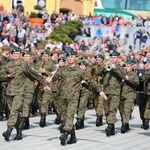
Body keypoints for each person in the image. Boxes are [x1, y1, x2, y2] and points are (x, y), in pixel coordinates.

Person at [46, 49, 107, 145]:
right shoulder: (63, 69)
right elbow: (54, 77)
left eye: (72, 57)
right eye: (69, 57)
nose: (70, 58)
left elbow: (91, 81)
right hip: (62, 97)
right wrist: (49, 79)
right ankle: (73, 137)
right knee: (65, 118)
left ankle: (65, 135)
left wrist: (100, 91)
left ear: (75, 58)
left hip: (73, 98)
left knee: (70, 116)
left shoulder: (80, 71)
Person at [96, 51, 125, 136]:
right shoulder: (106, 67)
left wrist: (115, 68)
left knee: (113, 109)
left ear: (117, 59)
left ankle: (109, 126)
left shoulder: (119, 67)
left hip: (115, 92)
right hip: (106, 92)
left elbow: (123, 76)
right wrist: (104, 66)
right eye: (111, 57)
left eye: (114, 58)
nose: (113, 59)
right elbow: (97, 73)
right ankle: (111, 127)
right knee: (107, 110)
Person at [119, 60, 139, 133]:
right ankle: (125, 123)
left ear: (131, 67)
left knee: (126, 110)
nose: (126, 68)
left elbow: (137, 83)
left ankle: (124, 125)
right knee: (121, 111)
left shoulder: (133, 75)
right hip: (121, 95)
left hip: (129, 95)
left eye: (127, 66)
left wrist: (128, 79)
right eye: (125, 66)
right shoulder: (122, 75)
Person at [142, 59, 150, 129]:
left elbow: (145, 78)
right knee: (147, 106)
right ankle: (146, 121)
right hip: (148, 92)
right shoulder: (146, 72)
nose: (147, 65)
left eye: (148, 63)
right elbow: (144, 79)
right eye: (146, 64)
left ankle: (146, 121)